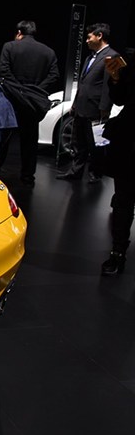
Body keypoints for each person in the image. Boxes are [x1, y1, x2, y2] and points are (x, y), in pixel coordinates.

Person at [0, 20, 60, 187]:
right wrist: (36, 90)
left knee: (3, 138)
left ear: (19, 32)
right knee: (30, 141)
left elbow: (4, 72)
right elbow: (54, 75)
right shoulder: (48, 52)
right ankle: (27, 176)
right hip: (33, 102)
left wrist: (19, 90)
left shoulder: (9, 47)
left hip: (12, 100)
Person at [56, 23, 117, 183]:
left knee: (96, 143)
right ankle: (75, 172)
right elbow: (83, 83)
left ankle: (96, 173)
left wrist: (104, 108)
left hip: (96, 109)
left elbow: (110, 85)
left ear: (99, 36)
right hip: (81, 107)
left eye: (89, 37)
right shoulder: (90, 57)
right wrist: (74, 104)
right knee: (78, 143)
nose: (87, 40)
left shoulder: (113, 57)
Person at [99, 48, 135, 275]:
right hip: (130, 142)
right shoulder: (131, 59)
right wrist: (115, 78)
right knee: (123, 200)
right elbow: (121, 98)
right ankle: (118, 253)